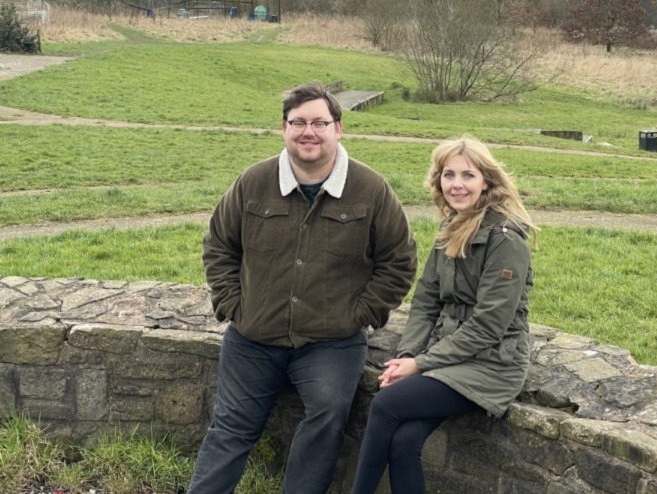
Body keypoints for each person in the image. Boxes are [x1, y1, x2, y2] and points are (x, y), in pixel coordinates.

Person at [189, 81, 418, 494]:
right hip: (253, 337)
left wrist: (361, 315)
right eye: (298, 123)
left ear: (338, 129)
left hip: (331, 342)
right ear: (284, 128)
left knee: (328, 417)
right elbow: (219, 245)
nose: (308, 132)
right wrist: (232, 305)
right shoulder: (252, 182)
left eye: (319, 122)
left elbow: (399, 262)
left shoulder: (371, 190)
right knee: (231, 426)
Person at [351, 137, 536, 494]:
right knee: (404, 441)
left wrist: (420, 365)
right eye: (448, 174)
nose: (457, 184)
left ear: (487, 181)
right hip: (448, 358)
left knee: (386, 404)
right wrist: (407, 355)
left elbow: (489, 324)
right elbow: (425, 301)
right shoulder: (451, 228)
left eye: (468, 175)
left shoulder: (505, 240)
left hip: (492, 364)